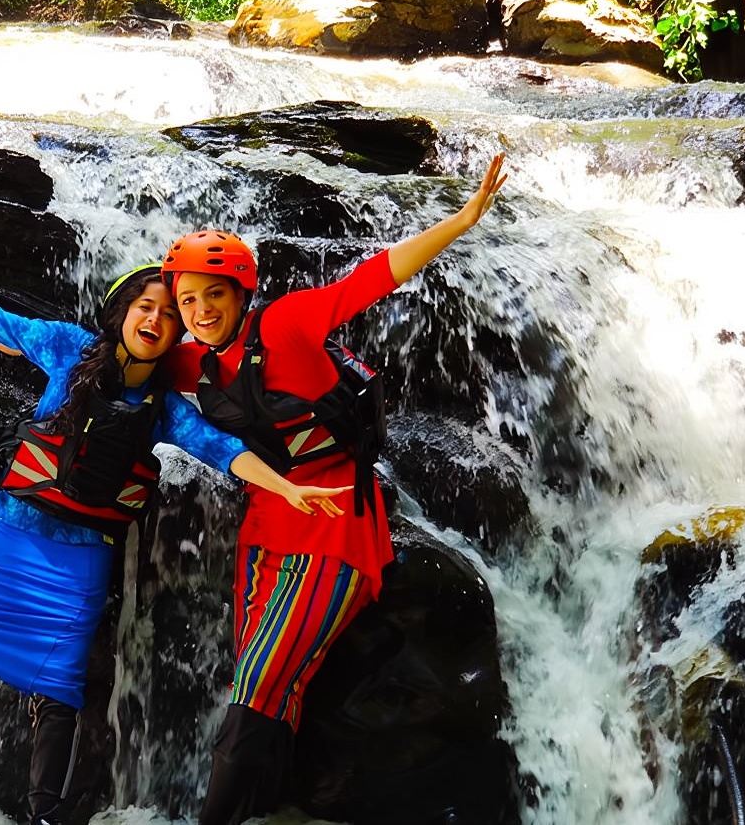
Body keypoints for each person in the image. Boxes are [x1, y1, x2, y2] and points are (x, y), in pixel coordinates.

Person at [0, 243, 350, 825]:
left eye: (170, 315)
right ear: (121, 313)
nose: (157, 320)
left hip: (84, 556)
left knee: (60, 694)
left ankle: (46, 811)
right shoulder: (68, 347)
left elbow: (224, 451)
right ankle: (27, 669)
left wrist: (285, 487)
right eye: (147, 307)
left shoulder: (165, 407)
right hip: (11, 534)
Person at [158, 154, 509, 825]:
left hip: (336, 521)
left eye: (214, 295)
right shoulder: (192, 361)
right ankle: (268, 810)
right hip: (265, 525)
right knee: (267, 682)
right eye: (187, 300)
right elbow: (105, 353)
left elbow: (372, 279)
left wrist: (462, 219)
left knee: (260, 679)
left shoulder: (287, 322)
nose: (199, 311)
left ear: (242, 294)